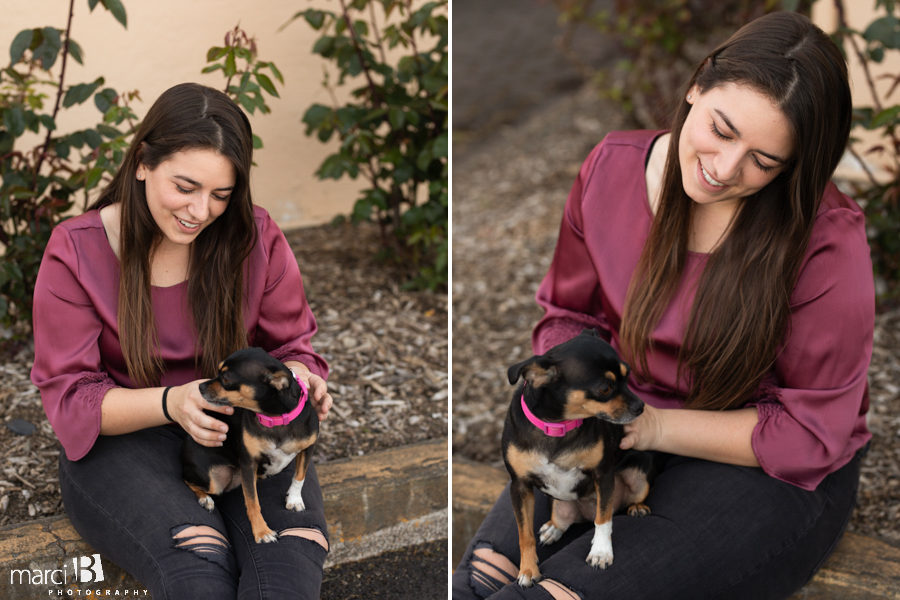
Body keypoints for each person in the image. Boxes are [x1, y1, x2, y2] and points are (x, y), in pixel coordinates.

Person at [453, 11, 874, 599]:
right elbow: (570, 318)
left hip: (763, 468)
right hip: (616, 423)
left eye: (764, 161)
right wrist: (575, 416)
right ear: (696, 85)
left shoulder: (826, 241)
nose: (725, 170)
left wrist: (649, 427)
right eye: (722, 130)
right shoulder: (611, 169)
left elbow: (811, 431)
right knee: (479, 582)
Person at [31, 82, 334, 599]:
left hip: (244, 430)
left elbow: (291, 349)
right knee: (197, 561)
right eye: (186, 187)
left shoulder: (254, 237)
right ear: (143, 161)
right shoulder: (76, 251)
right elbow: (70, 398)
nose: (200, 210)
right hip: (123, 445)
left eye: (221, 194)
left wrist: (303, 377)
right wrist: (176, 402)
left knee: (290, 555)